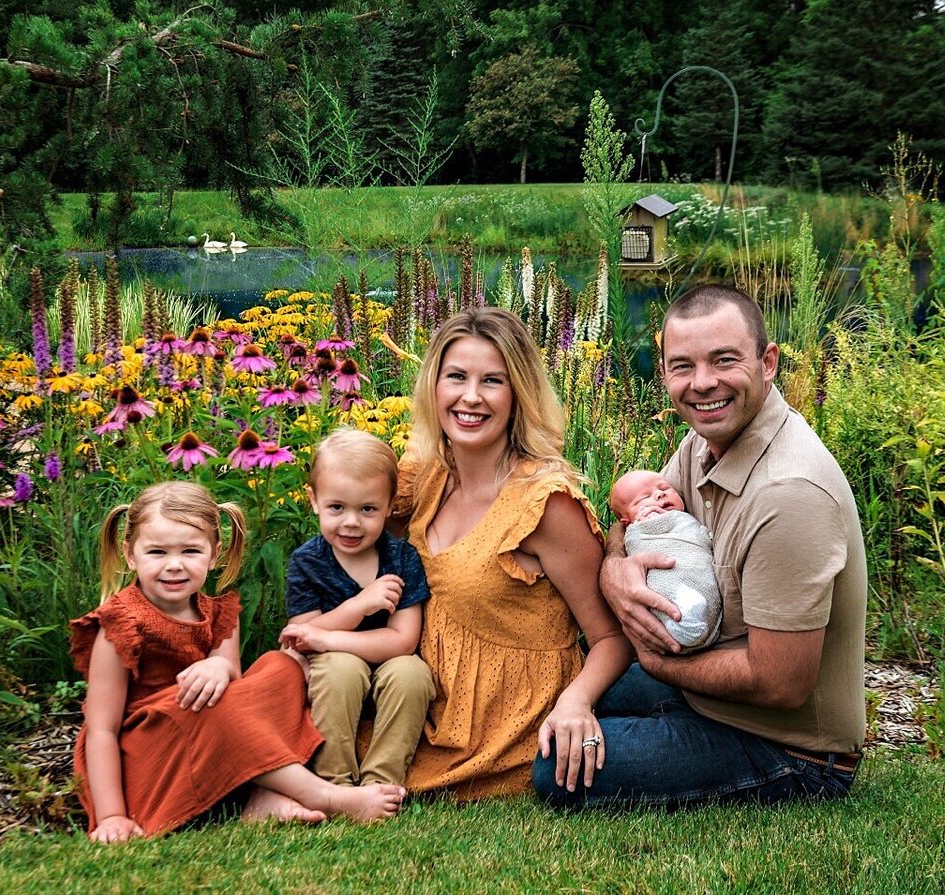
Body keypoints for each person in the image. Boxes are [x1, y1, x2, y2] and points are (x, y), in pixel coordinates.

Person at [534, 284, 867, 808]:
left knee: (557, 768)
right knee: (559, 702)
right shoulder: (704, 444)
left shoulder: (790, 494)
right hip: (708, 695)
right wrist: (614, 573)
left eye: (724, 360)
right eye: (682, 366)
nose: (703, 383)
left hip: (790, 749)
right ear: (664, 372)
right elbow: (634, 523)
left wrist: (654, 659)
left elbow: (781, 683)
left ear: (768, 362)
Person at [70, 481, 406, 842]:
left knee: (285, 665)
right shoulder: (120, 624)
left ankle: (258, 798)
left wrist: (219, 666)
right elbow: (102, 728)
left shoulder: (220, 612)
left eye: (190, 551)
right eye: (156, 552)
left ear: (214, 555)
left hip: (207, 736)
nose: (174, 565)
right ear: (130, 554)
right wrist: (111, 815)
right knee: (217, 708)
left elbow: (234, 681)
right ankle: (323, 794)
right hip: (151, 757)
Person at [392, 307, 633, 799]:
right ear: (433, 386)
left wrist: (576, 703)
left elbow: (612, 636)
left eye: (493, 381)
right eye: (456, 376)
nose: (471, 397)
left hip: (507, 732)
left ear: (518, 393)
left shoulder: (545, 502)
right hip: (421, 707)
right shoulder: (425, 474)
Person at [280, 427, 435, 788]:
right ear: (314, 500)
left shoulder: (400, 558)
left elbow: (403, 641)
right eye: (337, 507)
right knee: (340, 669)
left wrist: (326, 638)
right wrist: (360, 606)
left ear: (390, 505)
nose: (351, 522)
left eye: (367, 509)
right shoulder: (307, 562)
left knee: (412, 675)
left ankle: (382, 781)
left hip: (389, 662)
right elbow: (304, 635)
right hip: (334, 674)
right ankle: (335, 781)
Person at [608, 469, 720, 652]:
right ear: (627, 521)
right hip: (668, 574)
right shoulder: (639, 526)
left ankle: (693, 616)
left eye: (664, 487)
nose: (659, 494)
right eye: (644, 498)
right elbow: (630, 534)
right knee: (666, 588)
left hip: (696, 568)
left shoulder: (682, 518)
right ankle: (683, 617)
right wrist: (646, 523)